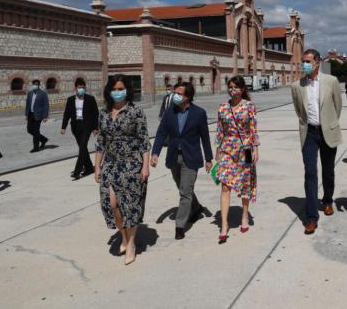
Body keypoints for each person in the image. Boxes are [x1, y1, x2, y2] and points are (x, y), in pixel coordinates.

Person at [94, 74, 150, 265]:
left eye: (121, 89)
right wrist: (97, 166)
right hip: (110, 164)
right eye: (114, 89)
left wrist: (145, 166)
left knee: (131, 206)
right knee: (111, 204)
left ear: (127, 90)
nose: (117, 92)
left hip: (132, 165)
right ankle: (124, 237)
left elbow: (144, 141)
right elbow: (100, 141)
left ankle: (131, 243)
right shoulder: (103, 113)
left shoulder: (136, 112)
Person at [290, 49, 342, 235]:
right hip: (309, 134)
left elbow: (338, 106)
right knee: (310, 173)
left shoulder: (331, 81)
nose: (304, 64)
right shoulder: (297, 86)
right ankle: (311, 218)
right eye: (303, 61)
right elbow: (299, 110)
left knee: (328, 171)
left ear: (317, 62)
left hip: (327, 130)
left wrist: (328, 123)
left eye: (307, 61)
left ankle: (327, 200)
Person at [152, 82, 212, 240]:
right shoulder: (169, 112)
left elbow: (205, 138)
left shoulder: (199, 113)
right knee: (182, 187)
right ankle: (197, 208)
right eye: (174, 92)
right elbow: (160, 133)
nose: (175, 96)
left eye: (179, 93)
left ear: (188, 97)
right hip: (174, 156)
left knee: (185, 192)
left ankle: (180, 225)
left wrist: (209, 159)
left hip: (191, 157)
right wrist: (155, 153)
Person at [214, 76, 259, 243]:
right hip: (227, 149)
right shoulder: (223, 108)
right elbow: (220, 130)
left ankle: (244, 215)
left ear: (243, 89)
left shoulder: (249, 106)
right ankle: (224, 225)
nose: (233, 90)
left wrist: (255, 148)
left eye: (236, 87)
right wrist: (218, 150)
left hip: (245, 148)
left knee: (245, 183)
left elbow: (253, 128)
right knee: (225, 186)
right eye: (230, 87)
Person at [61, 78, 99, 180]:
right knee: (83, 148)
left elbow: (96, 113)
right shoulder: (70, 100)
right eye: (79, 87)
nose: (81, 89)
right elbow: (66, 114)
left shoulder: (90, 99)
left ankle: (77, 171)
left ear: (85, 88)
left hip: (87, 126)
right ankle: (89, 168)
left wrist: (96, 127)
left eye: (83, 87)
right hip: (75, 126)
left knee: (82, 147)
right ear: (75, 88)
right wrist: (63, 127)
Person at [25, 79, 49, 153]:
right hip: (30, 114)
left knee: (36, 131)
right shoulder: (30, 93)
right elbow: (27, 104)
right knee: (29, 130)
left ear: (39, 85)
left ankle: (36, 148)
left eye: (36, 84)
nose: (35, 85)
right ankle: (43, 139)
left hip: (38, 115)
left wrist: (45, 116)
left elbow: (46, 105)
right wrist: (26, 114)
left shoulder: (43, 94)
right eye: (34, 84)